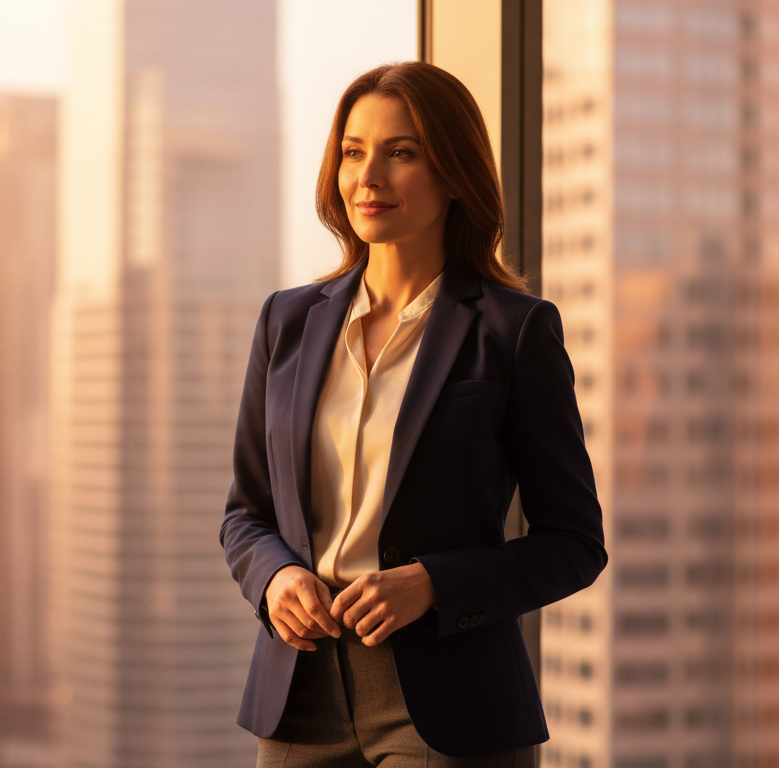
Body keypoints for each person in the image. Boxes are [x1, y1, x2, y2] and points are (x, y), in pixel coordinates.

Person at [220, 62, 607, 766]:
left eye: (402, 153)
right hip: (299, 695)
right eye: (353, 152)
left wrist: (432, 583)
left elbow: (575, 544)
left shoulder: (513, 331)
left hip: (453, 704)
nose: (369, 178)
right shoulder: (288, 322)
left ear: (454, 172)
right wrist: (275, 577)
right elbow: (245, 514)